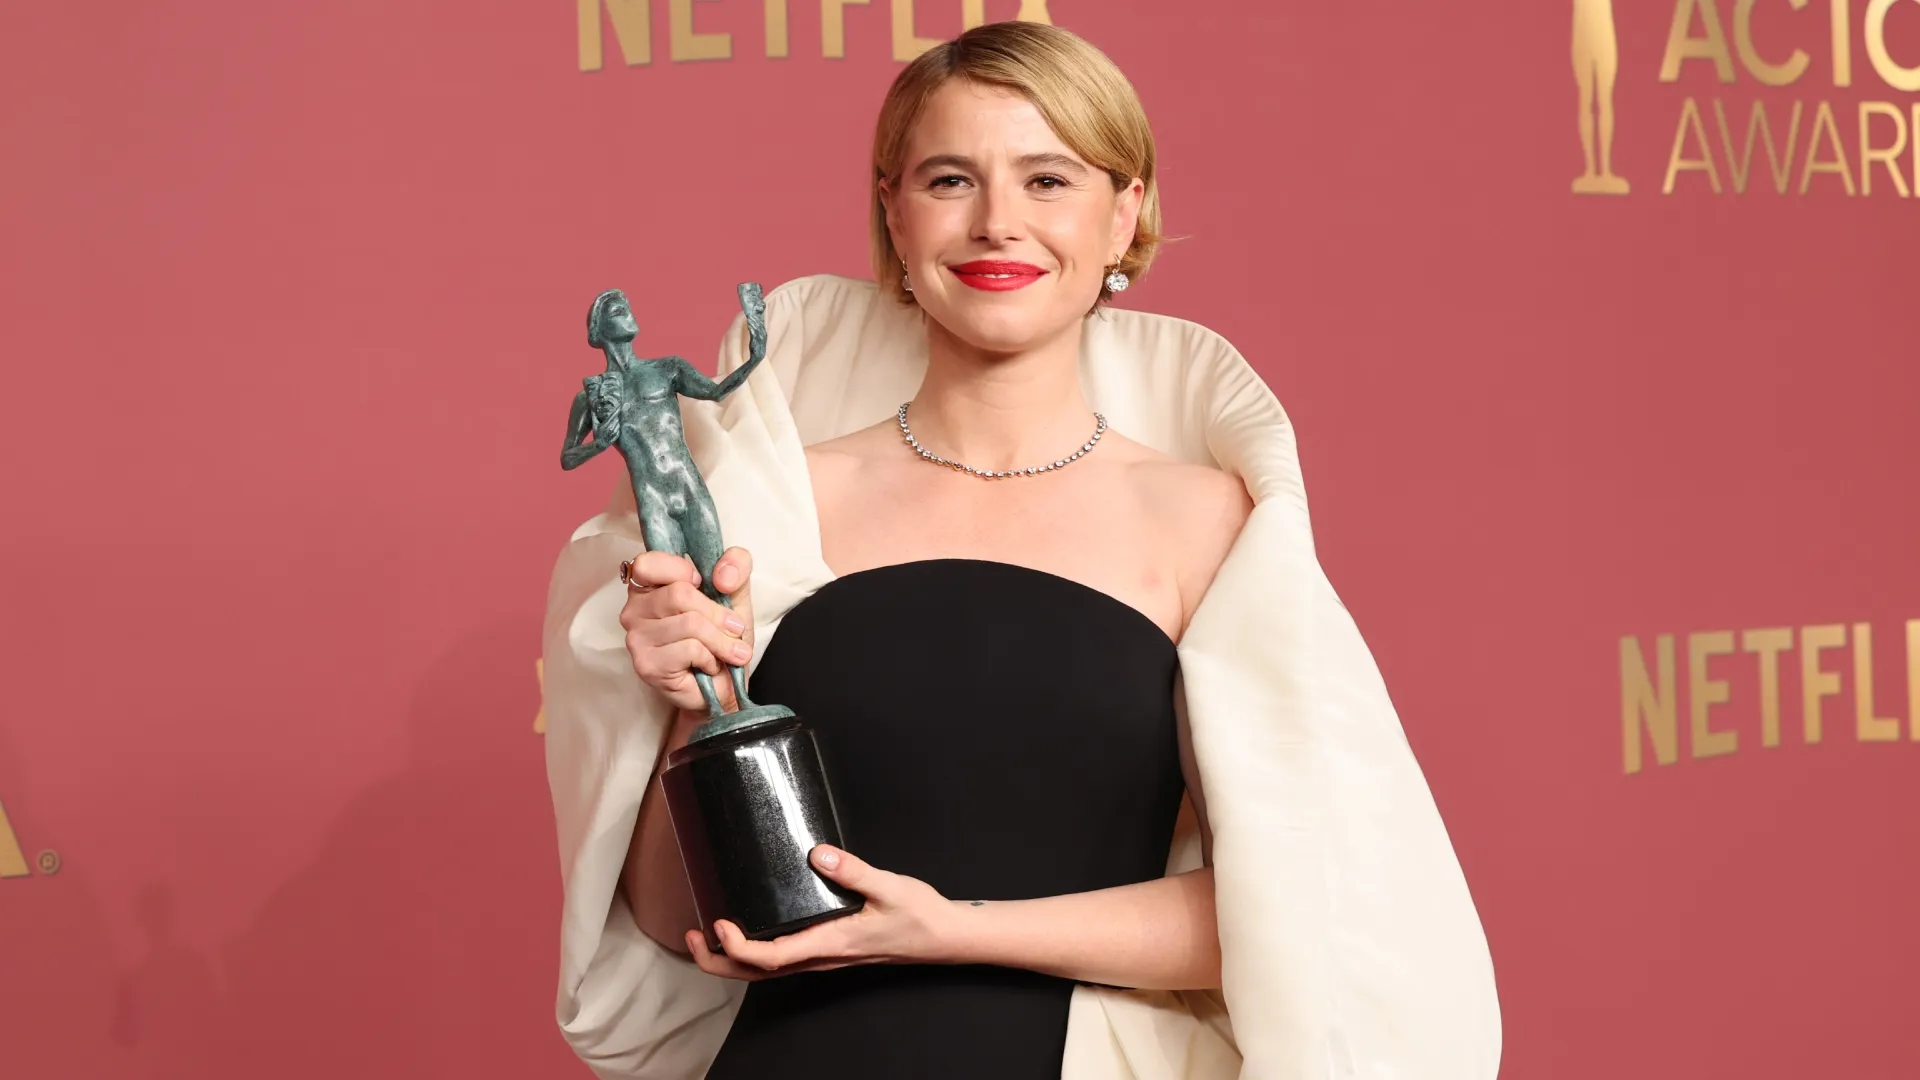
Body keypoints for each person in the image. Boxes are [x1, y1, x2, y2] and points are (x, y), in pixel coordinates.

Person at [541, 21, 1502, 1080]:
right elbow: (686, 922)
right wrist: (694, 695)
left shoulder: (1209, 523)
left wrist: (952, 928)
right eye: (951, 179)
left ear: (1123, 213)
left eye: (1049, 180)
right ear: (894, 215)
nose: (999, 223)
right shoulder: (770, 502)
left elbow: (1299, 913)